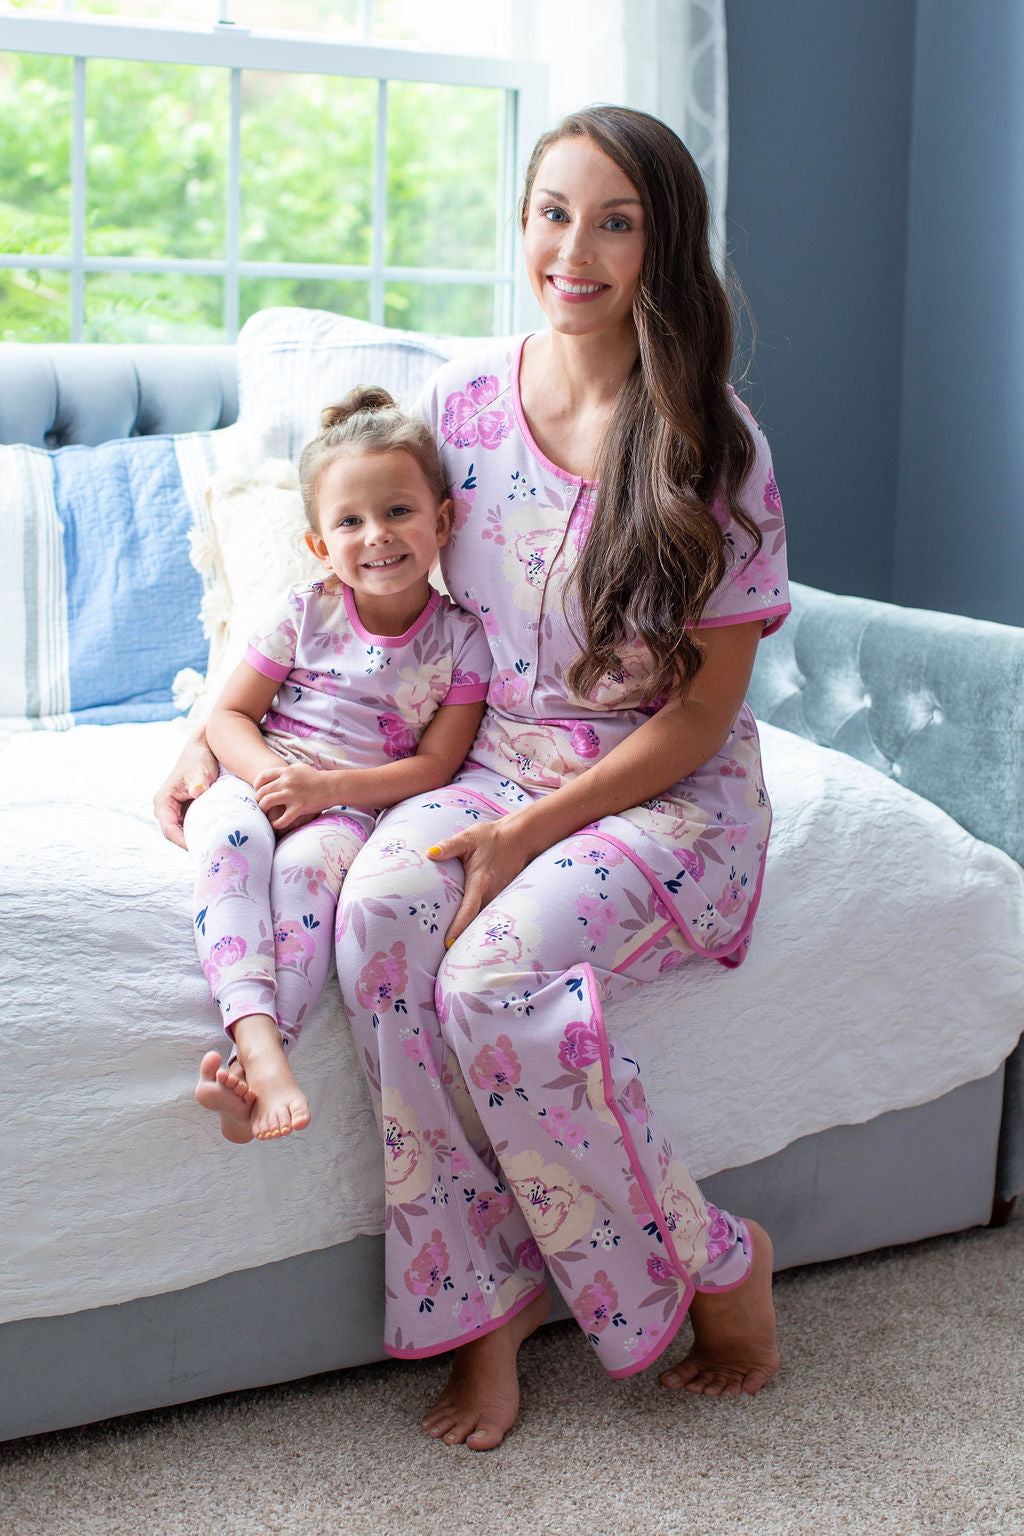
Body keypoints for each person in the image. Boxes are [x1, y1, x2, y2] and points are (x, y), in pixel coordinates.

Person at [155, 105, 787, 1447]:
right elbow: (364, 606)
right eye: (554, 211)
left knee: (493, 979)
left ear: (664, 243)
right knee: (382, 919)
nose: (577, 247)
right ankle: (480, 1307)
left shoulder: (711, 447)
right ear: (522, 225)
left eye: (616, 220)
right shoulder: (461, 404)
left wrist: (530, 836)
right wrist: (207, 729)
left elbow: (697, 723)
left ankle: (719, 1261)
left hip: (659, 797)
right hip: (488, 764)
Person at [184, 387, 490, 1144]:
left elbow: (437, 765)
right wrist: (266, 782)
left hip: (349, 807)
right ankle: (255, 1042)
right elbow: (228, 716)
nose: (376, 536)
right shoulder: (305, 610)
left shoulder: (462, 640)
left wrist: (329, 792)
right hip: (259, 777)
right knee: (236, 845)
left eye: (397, 512)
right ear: (321, 544)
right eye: (349, 521)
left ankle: (259, 1069)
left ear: (443, 520)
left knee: (301, 882)